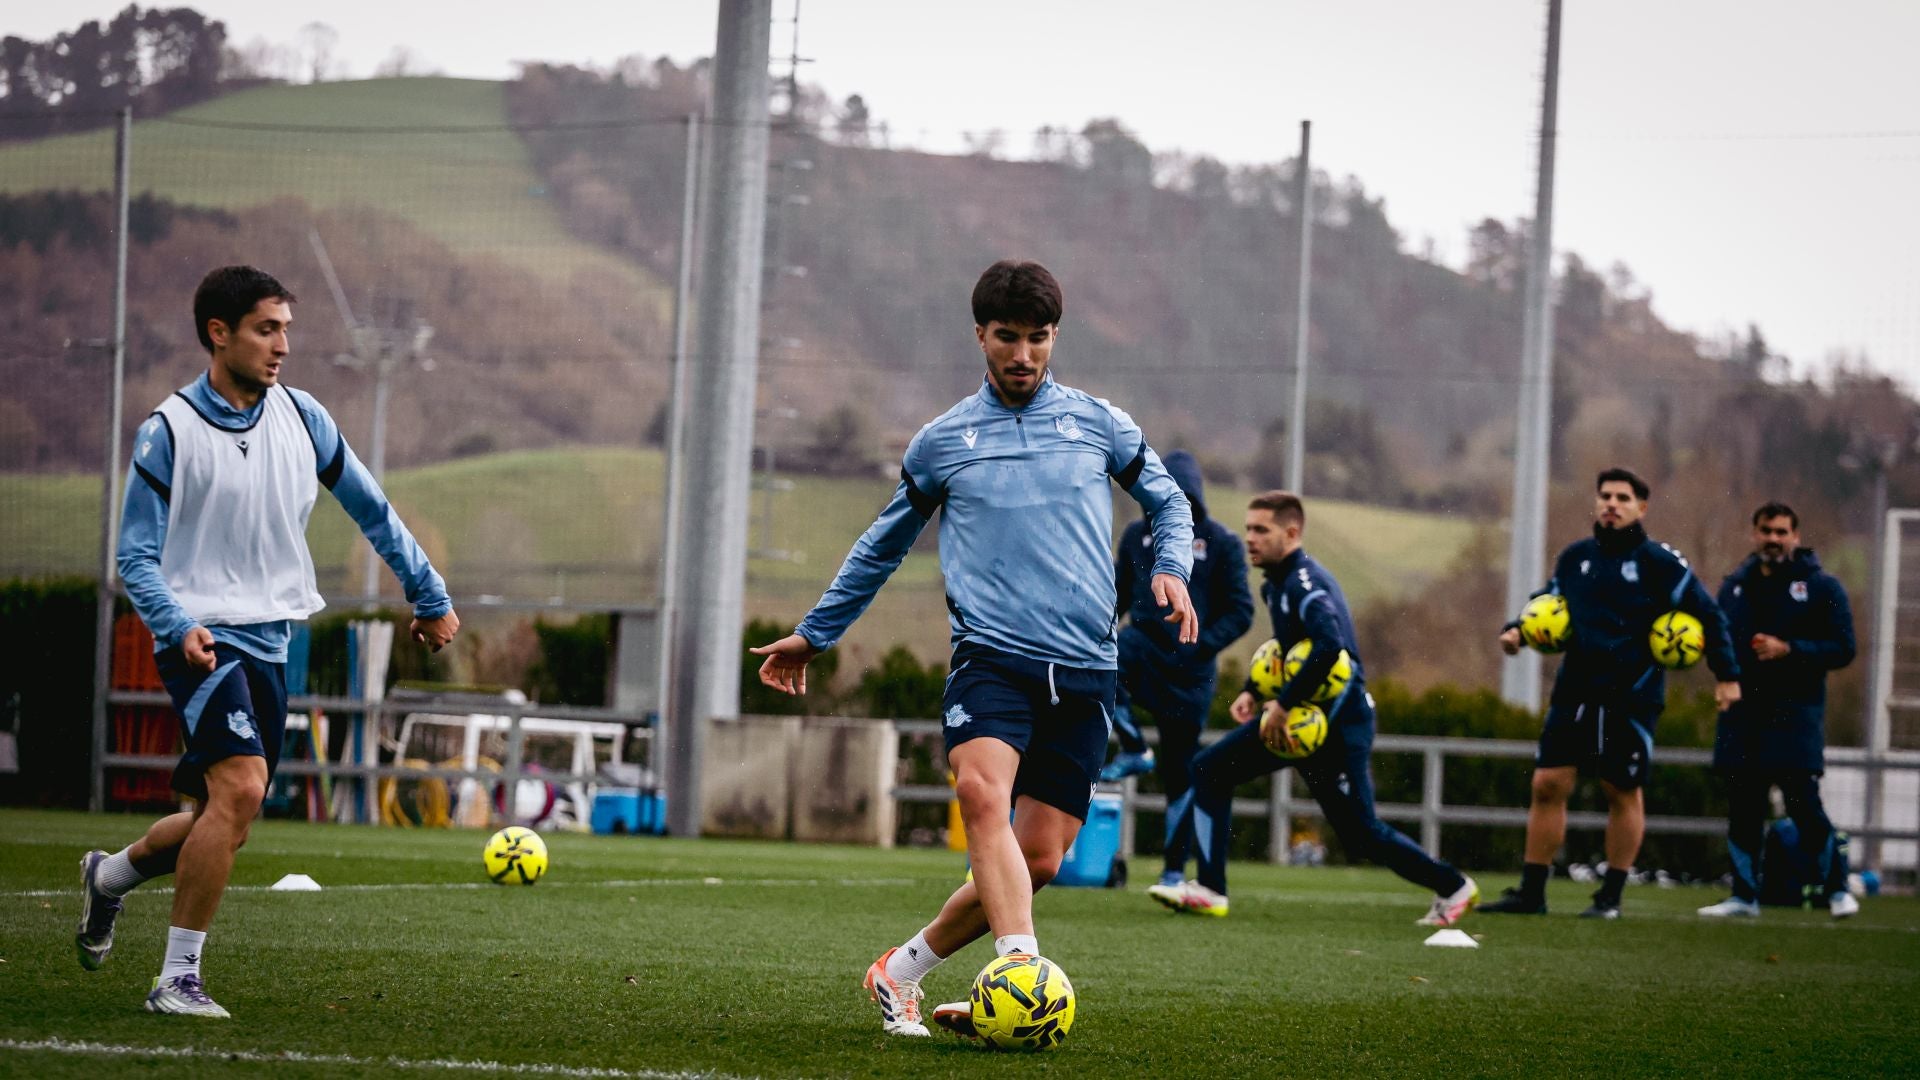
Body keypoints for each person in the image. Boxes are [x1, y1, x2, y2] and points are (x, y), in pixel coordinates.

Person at [749, 260, 1196, 1038]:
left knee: (1042, 860)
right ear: (980, 336)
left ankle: (902, 971)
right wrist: (817, 633)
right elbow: (882, 546)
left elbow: (1167, 498)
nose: (1023, 355)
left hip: (1087, 670)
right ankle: (1020, 971)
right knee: (981, 795)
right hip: (991, 659)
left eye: (1039, 338)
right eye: (1008, 338)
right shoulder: (944, 442)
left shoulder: (1098, 424)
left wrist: (1170, 567)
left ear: (1055, 337)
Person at [76, 266, 459, 1017]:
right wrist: (176, 624)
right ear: (218, 334)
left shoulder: (304, 417)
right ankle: (177, 979)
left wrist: (429, 592)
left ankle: (110, 877)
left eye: (286, 327)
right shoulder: (169, 431)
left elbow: (373, 511)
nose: (284, 344)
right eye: (266, 328)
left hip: (274, 642)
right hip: (201, 641)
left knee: (226, 816)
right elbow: (134, 559)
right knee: (243, 788)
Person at [1146, 491, 1480, 927]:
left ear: (1292, 532)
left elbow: (1329, 647)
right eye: (1248, 529)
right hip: (1301, 718)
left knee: (1361, 832)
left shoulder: (1304, 581)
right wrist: (1253, 690)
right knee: (1210, 769)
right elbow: (1290, 653)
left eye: (1261, 530)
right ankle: (1210, 889)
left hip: (1340, 722)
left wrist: (1282, 706)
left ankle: (1454, 886)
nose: (1250, 538)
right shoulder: (1277, 583)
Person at [1483, 466, 1739, 919]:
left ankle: (1610, 897)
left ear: (1641, 507)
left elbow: (1709, 615)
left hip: (1631, 693)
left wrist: (1727, 675)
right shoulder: (1575, 557)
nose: (1611, 504)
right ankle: (1531, 892)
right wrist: (1517, 631)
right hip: (1575, 688)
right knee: (1547, 784)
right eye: (1605, 496)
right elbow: (1548, 603)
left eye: (1623, 498)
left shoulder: (1660, 563)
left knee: (1619, 788)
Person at [1101, 449, 1254, 891]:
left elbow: (1241, 610)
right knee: (1104, 664)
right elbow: (1117, 599)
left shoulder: (1221, 544)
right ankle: (1133, 747)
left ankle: (1172, 871)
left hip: (1191, 674)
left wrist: (1201, 644)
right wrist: (1093, 629)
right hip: (1142, 648)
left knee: (1181, 775)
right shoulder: (1135, 536)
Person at [1698, 502, 1859, 919]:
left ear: (1795, 536)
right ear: (1754, 533)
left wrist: (1790, 650)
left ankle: (1838, 889)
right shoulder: (1734, 587)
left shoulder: (1822, 588)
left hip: (1795, 715)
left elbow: (1844, 649)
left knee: (1803, 804)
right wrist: (1720, 675)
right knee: (1744, 806)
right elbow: (1720, 642)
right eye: (1766, 531)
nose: (1773, 539)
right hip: (1742, 716)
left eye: (1781, 532)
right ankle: (1744, 895)